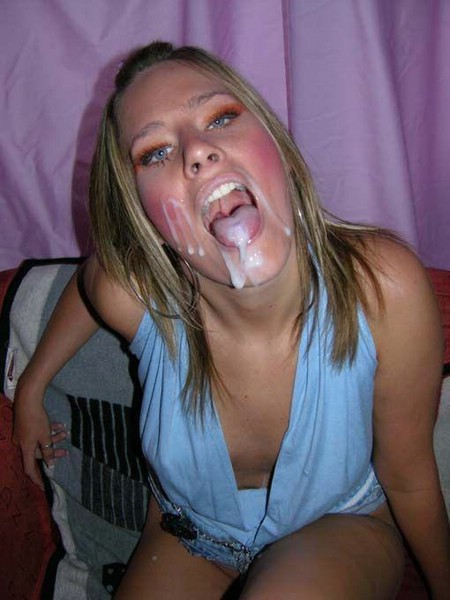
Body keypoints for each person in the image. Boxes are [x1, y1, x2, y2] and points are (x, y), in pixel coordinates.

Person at [13, 41, 450, 599]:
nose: (197, 150)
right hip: (186, 536)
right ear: (143, 217)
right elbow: (88, 284)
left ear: (278, 146)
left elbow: (410, 477)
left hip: (341, 528)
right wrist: (32, 387)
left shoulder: (382, 288)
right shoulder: (134, 296)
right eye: (155, 152)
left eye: (219, 118)